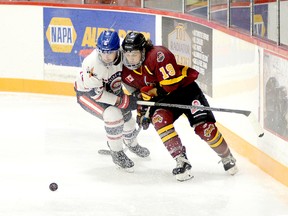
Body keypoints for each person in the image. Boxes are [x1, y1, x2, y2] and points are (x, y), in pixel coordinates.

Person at [120, 31, 238, 181]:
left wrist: (151, 93)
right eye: (128, 55)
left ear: (143, 51)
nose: (130, 59)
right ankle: (181, 159)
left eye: (134, 54)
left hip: (186, 91)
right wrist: (142, 114)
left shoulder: (158, 55)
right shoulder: (125, 72)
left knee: (205, 129)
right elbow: (141, 96)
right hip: (162, 100)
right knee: (159, 120)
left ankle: (226, 156)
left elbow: (170, 87)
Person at [74, 30, 150, 172]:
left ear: (117, 49)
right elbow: (98, 95)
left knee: (128, 119)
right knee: (113, 115)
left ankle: (132, 144)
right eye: (103, 52)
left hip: (111, 89)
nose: (106, 56)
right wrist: (126, 101)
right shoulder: (92, 64)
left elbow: (126, 77)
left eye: (110, 52)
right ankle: (117, 153)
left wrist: (137, 95)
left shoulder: (124, 54)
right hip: (88, 94)